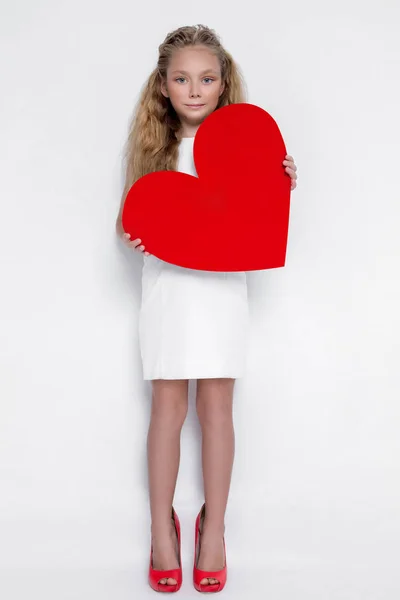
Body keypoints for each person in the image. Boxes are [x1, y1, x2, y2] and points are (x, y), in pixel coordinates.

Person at [115, 24, 298, 594]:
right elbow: (131, 220)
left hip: (222, 290)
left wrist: (281, 184)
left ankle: (213, 530)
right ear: (163, 86)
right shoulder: (155, 150)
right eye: (182, 78)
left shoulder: (247, 147)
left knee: (218, 405)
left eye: (207, 78)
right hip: (169, 290)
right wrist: (136, 236)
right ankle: (161, 531)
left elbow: (251, 221)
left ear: (223, 83)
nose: (195, 89)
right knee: (167, 407)